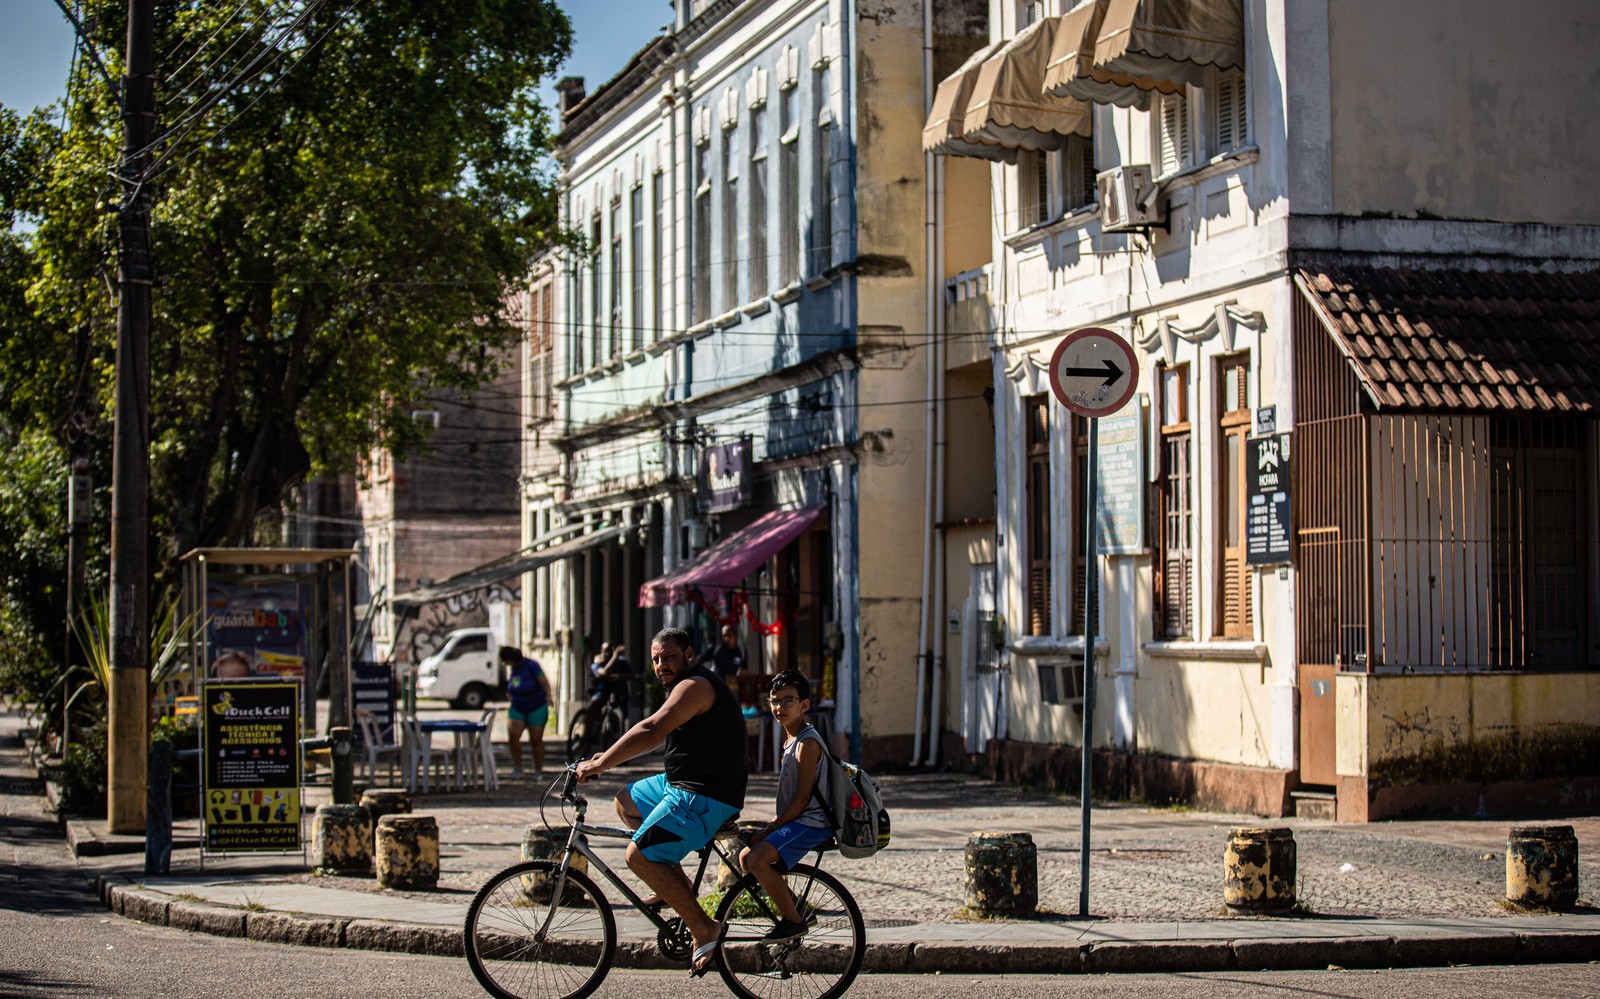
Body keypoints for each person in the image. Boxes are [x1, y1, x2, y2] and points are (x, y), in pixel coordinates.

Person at [576, 627, 748, 978]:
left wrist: (599, 764)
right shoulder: (682, 685)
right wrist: (604, 756)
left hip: (704, 795)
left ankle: (705, 928)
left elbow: (652, 730)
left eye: (669, 657)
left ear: (690, 656)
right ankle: (679, 886)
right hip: (678, 784)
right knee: (626, 802)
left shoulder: (695, 686)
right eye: (656, 659)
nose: (661, 665)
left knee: (638, 856)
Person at [738, 669, 833, 940]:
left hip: (813, 822)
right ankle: (799, 908)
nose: (780, 707)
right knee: (746, 858)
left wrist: (770, 828)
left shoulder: (807, 743)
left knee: (756, 858)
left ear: (804, 705)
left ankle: (794, 921)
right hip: (800, 819)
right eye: (774, 701)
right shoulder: (790, 739)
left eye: (788, 701)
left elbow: (802, 800)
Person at [500, 645, 553, 777]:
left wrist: (549, 696)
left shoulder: (532, 666)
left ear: (510, 659)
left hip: (536, 706)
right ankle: (517, 766)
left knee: (536, 739)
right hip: (517, 706)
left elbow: (544, 681)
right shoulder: (513, 669)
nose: (505, 664)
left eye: (505, 661)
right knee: (513, 737)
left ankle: (538, 770)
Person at [580, 641, 635, 749]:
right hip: (602, 691)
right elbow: (603, 672)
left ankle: (619, 743)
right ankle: (585, 736)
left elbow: (631, 675)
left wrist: (619, 676)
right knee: (592, 706)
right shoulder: (597, 662)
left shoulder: (622, 662)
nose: (607, 654)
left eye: (610, 652)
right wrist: (615, 656)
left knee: (622, 716)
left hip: (619, 692)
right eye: (605, 652)